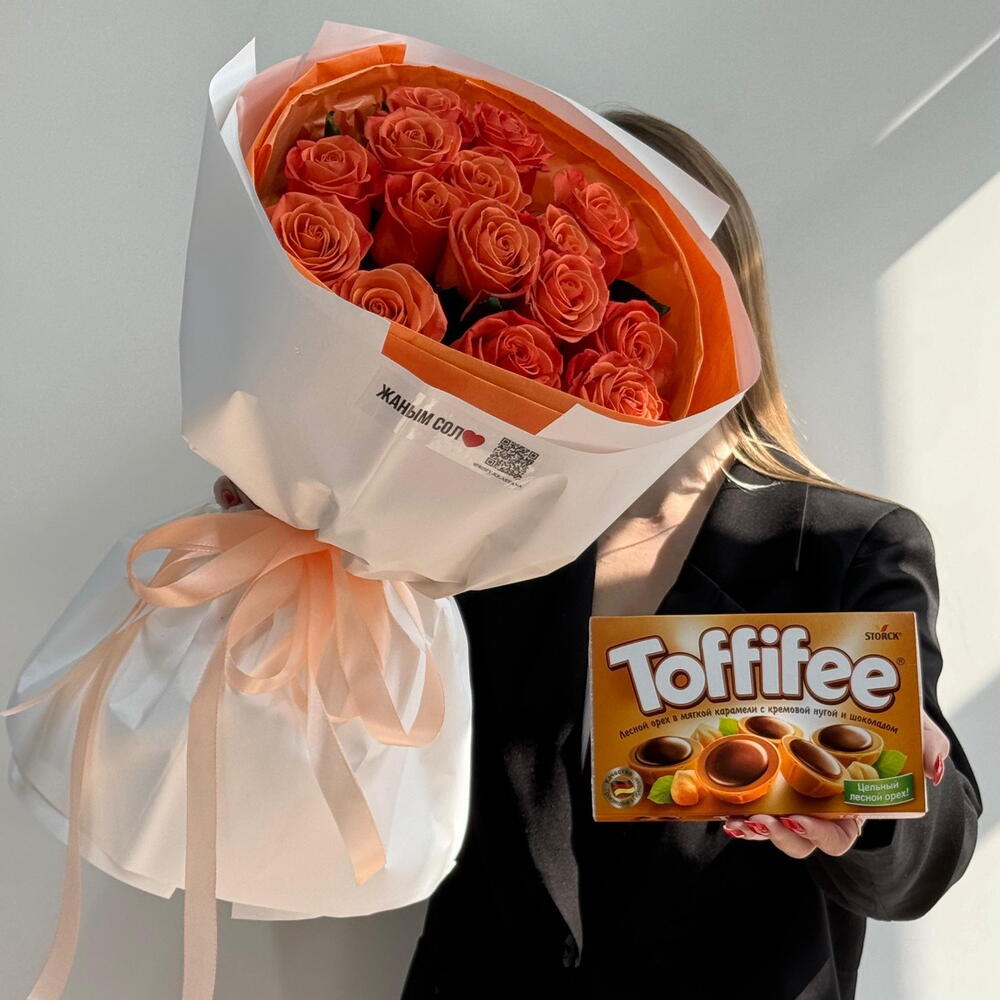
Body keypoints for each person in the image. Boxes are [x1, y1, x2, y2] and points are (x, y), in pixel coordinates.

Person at [214, 109, 982, 1000]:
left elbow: (929, 858)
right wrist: (290, 562)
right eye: (575, 264)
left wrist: (882, 806)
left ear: (725, 303)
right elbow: (351, 755)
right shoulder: (471, 531)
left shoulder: (848, 545)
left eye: (642, 274)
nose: (616, 307)